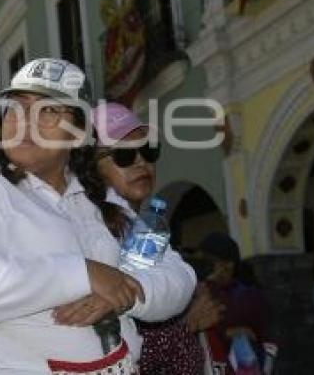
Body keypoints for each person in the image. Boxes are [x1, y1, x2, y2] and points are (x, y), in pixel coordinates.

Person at [0, 59, 195, 374]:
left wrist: (126, 292)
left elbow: (179, 277)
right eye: (15, 107)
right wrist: (85, 274)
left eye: (47, 110)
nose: (25, 121)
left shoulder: (103, 201)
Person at [93, 101, 220, 374]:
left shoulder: (139, 225)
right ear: (92, 167)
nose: (141, 162)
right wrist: (186, 325)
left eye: (149, 150)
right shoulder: (94, 226)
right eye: (124, 155)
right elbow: (116, 340)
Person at [197, 232, 269, 373]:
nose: (224, 268)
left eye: (228, 262)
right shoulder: (200, 290)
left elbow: (262, 331)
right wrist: (226, 332)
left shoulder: (249, 293)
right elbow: (195, 325)